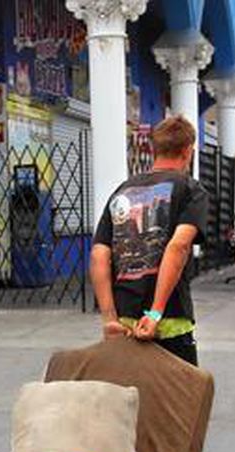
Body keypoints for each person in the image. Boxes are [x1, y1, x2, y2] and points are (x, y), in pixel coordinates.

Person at [90, 116, 208, 366]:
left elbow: (99, 255)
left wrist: (109, 319)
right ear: (188, 151)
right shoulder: (189, 189)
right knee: (179, 400)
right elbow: (178, 246)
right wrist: (155, 313)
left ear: (155, 150)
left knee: (129, 399)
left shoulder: (123, 190)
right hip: (169, 319)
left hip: (124, 321)